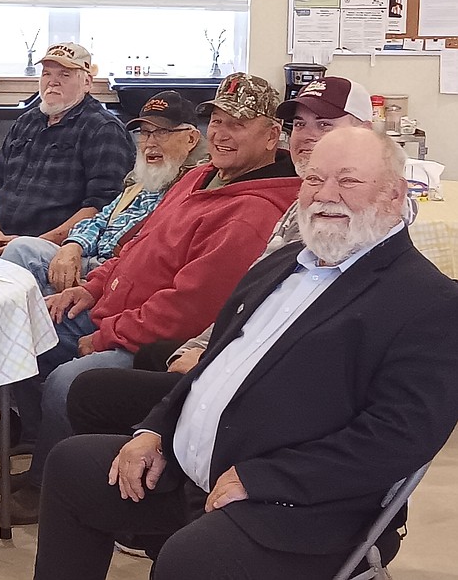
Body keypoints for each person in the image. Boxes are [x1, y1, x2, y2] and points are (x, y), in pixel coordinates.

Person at [35, 128, 458, 580]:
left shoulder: (427, 301)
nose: (325, 195)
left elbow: (399, 437)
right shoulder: (286, 262)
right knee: (73, 467)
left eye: (348, 181)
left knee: (191, 558)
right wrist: (155, 430)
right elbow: (213, 364)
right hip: (199, 468)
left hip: (301, 502)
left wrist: (265, 480)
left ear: (395, 196)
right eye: (314, 180)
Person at [0, 73, 300, 525]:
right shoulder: (201, 177)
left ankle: (51, 482)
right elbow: (133, 246)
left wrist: (108, 335)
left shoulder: (252, 211)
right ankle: (42, 436)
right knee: (13, 337)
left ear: (271, 135)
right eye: (217, 120)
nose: (221, 133)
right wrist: (89, 287)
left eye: (237, 124)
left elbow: (190, 307)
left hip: (152, 342)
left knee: (68, 381)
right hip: (112, 311)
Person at [65, 76, 378, 443]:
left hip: (257, 383)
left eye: (324, 125)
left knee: (75, 387)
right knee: (43, 335)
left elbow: (211, 306)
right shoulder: (215, 181)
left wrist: (206, 356)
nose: (307, 136)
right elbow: (251, 299)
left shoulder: (340, 223)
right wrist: (96, 286)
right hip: (183, 336)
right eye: (301, 124)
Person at [1, 91, 205, 296]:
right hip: (89, 259)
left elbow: (151, 256)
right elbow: (99, 220)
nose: (150, 143)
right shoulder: (143, 182)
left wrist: (95, 282)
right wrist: (74, 245)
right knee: (20, 250)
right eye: (144, 133)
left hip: (119, 278)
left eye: (162, 132)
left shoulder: (192, 189)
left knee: (27, 299)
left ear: (191, 138)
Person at [0, 43, 135, 254]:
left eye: (65, 75)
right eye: (46, 74)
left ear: (87, 82)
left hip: (54, 248)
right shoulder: (27, 121)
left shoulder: (103, 129)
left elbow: (104, 206)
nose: (53, 82)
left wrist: (32, 244)